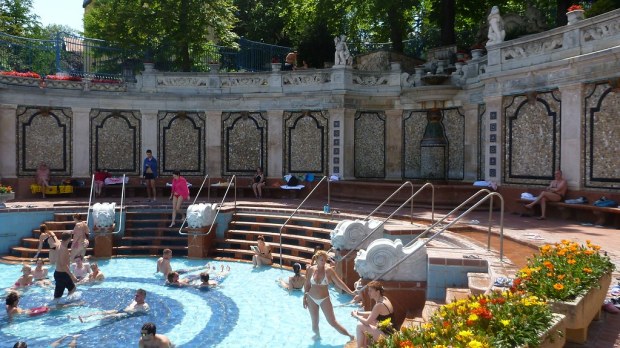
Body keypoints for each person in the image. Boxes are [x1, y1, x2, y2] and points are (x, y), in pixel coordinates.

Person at [303, 250, 355, 341]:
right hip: (311, 298)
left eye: (324, 260)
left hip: (324, 299)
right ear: (316, 259)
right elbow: (307, 284)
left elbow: (339, 282)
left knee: (332, 322)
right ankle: (317, 337)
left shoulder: (329, 271)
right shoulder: (311, 269)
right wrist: (304, 297)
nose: (323, 262)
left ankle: (350, 336)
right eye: (321, 260)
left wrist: (350, 292)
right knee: (314, 323)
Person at [351, 281, 395, 348]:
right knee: (367, 320)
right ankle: (365, 346)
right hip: (390, 331)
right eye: (368, 291)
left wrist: (356, 316)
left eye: (371, 291)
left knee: (359, 325)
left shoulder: (379, 305)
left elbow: (367, 322)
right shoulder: (383, 298)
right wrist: (359, 313)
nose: (368, 293)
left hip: (388, 337)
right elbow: (372, 313)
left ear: (377, 292)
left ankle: (359, 347)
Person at [77, 289, 149, 322]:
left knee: (109, 316)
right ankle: (83, 316)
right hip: (122, 310)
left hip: (126, 315)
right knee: (104, 312)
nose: (135, 297)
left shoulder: (145, 307)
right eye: (135, 295)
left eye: (137, 296)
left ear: (143, 297)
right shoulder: (134, 301)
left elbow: (143, 313)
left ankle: (87, 321)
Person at [54, 231, 78, 300]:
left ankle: (66, 302)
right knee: (58, 296)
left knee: (72, 288)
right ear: (70, 239)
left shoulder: (59, 245)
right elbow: (63, 265)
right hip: (62, 274)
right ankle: (58, 306)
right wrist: (72, 276)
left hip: (58, 273)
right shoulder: (63, 249)